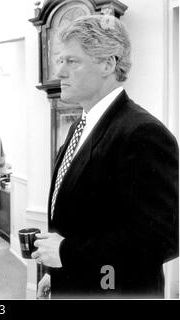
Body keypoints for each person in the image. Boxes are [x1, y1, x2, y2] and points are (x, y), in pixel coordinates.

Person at [32, 15, 179, 299]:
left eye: (71, 61)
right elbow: (81, 220)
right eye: (59, 61)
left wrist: (66, 253)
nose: (58, 72)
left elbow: (161, 239)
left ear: (108, 64)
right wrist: (58, 275)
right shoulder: (80, 126)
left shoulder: (142, 133)